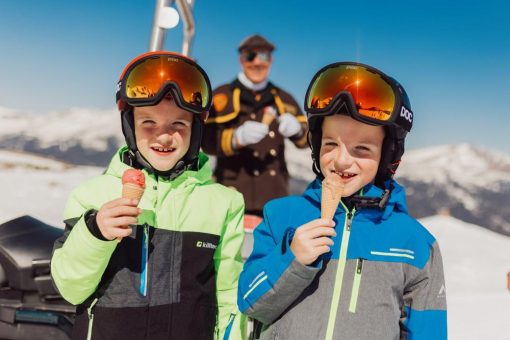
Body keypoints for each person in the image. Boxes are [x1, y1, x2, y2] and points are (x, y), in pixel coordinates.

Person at [237, 62, 447, 339]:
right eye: (330, 144)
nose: (341, 160)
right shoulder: (281, 216)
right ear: (316, 145)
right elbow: (250, 303)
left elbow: (427, 333)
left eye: (362, 148)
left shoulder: (415, 244)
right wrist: (293, 259)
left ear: (388, 154)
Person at [51, 51, 246, 340]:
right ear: (130, 127)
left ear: (196, 130)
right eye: (148, 124)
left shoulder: (224, 203)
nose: (164, 136)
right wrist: (95, 232)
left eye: (178, 125)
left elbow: (228, 297)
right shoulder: (92, 196)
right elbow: (71, 288)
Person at [202, 34, 308, 217]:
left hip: (274, 196)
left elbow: (307, 141)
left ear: (271, 60)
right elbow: (206, 141)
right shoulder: (221, 95)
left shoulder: (284, 98)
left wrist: (298, 131)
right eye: (250, 56)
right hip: (230, 193)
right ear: (241, 59)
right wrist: (236, 138)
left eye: (264, 56)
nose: (257, 63)